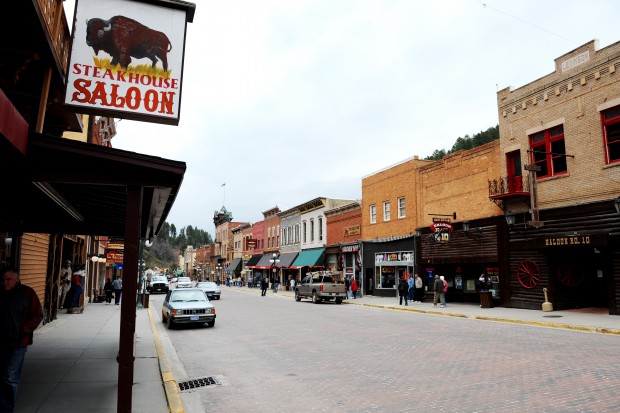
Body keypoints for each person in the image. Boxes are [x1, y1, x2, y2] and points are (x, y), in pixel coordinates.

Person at [0, 267, 43, 413]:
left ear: (17, 278)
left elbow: (37, 315)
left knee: (10, 378)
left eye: (8, 279)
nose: (5, 283)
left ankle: (6, 409)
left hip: (18, 342)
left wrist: (23, 330)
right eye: (3, 280)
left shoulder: (27, 293)